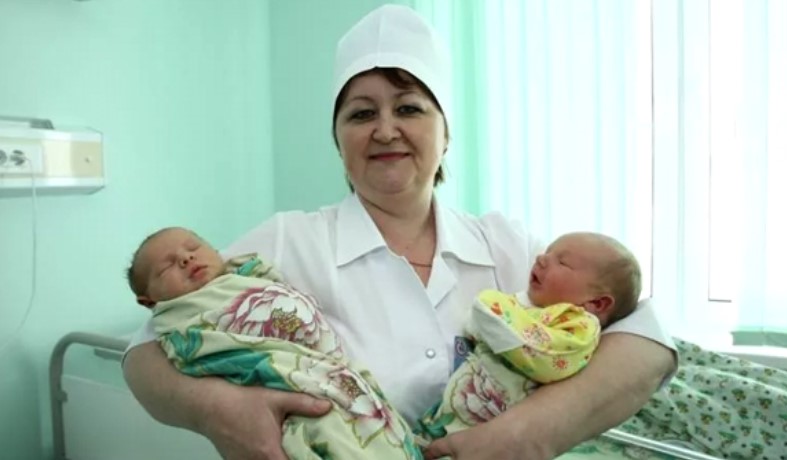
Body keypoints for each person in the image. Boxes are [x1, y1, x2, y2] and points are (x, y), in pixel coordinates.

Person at [122, 5, 677, 460]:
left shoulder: (505, 247)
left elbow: (649, 341)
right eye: (361, 115)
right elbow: (145, 350)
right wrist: (218, 411)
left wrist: (532, 432)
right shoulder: (289, 241)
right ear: (339, 142)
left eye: (409, 108)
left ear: (445, 133)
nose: (386, 130)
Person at [126, 226, 422, 459]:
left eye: (193, 247)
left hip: (349, 386)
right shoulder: (182, 315)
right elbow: (142, 355)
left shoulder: (247, 274)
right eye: (166, 267)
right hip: (302, 401)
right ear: (148, 301)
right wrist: (218, 407)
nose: (186, 258)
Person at [418, 232, 642, 439]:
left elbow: (544, 355)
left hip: (494, 434)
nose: (541, 259)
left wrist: (491, 313)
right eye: (547, 253)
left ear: (597, 303)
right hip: (452, 417)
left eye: (562, 262)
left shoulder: (580, 326)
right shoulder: (532, 309)